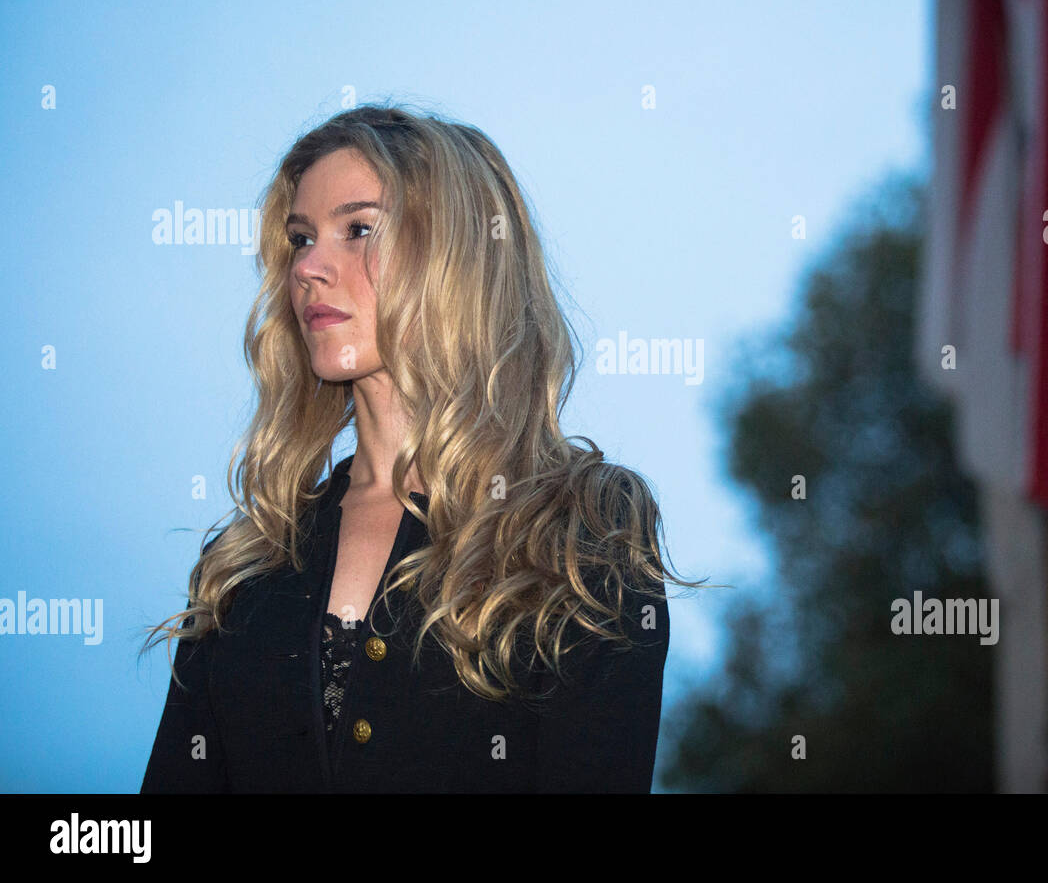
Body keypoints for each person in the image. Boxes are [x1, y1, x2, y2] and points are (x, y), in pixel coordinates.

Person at [139, 104, 704, 792]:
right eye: (299, 238)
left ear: (457, 254)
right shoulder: (247, 560)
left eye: (357, 230)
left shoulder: (580, 525)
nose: (310, 268)